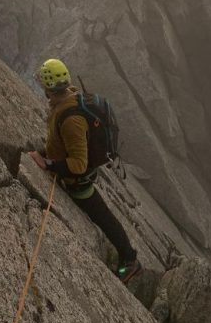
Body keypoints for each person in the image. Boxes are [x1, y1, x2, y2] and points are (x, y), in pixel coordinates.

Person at [28, 57, 141, 284]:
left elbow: (78, 165)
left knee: (103, 217)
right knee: (103, 215)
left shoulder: (71, 119)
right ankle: (129, 257)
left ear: (50, 88)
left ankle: (130, 260)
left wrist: (48, 164)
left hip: (78, 182)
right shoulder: (70, 96)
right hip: (75, 173)